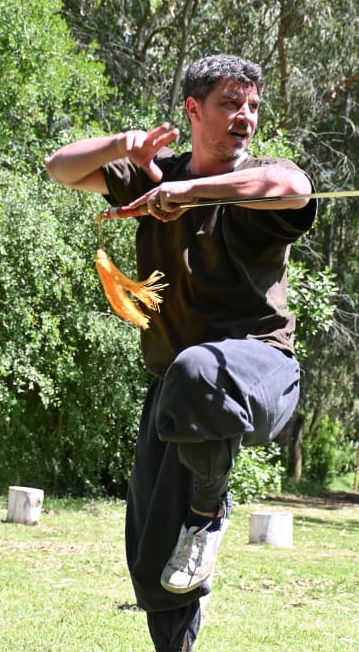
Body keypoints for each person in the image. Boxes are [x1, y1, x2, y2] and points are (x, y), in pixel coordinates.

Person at [45, 54, 317, 651]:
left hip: (262, 369)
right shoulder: (154, 175)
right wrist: (125, 144)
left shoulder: (258, 179)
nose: (244, 117)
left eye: (251, 105)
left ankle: (206, 517)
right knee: (150, 555)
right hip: (179, 389)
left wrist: (191, 190)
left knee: (199, 370)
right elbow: (60, 168)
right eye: (228, 104)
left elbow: (294, 188)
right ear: (193, 110)